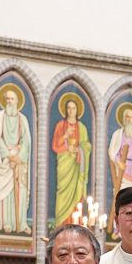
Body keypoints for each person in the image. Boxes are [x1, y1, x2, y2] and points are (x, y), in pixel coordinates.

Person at [0, 85, 32, 234]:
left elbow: (26, 141)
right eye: (7, 99)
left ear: (17, 101)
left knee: (20, 190)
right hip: (5, 161)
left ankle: (21, 223)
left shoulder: (22, 119)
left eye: (12, 99)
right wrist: (9, 156)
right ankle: (5, 221)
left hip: (19, 161)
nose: (9, 101)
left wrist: (19, 157)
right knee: (5, 192)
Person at [51, 93, 91, 227]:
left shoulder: (81, 127)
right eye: (69, 108)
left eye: (74, 108)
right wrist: (65, 136)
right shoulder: (60, 125)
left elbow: (87, 146)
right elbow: (55, 145)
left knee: (76, 192)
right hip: (64, 164)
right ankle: (61, 223)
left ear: (77, 110)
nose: (71, 111)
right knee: (62, 192)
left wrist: (79, 149)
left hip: (77, 166)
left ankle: (75, 224)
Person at [108, 103, 132, 219]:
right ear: (123, 119)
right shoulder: (117, 135)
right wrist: (118, 162)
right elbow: (112, 151)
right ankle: (118, 223)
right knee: (120, 198)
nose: (129, 120)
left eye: (131, 117)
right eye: (127, 117)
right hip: (121, 171)